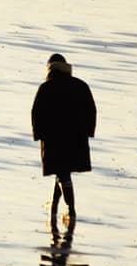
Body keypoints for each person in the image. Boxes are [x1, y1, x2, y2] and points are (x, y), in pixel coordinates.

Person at [30, 52, 96, 235]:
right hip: (77, 137)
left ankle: (71, 209)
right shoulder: (81, 86)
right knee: (62, 172)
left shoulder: (46, 87)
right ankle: (54, 208)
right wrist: (88, 132)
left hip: (54, 138)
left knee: (62, 172)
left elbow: (36, 113)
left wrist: (38, 135)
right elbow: (91, 110)